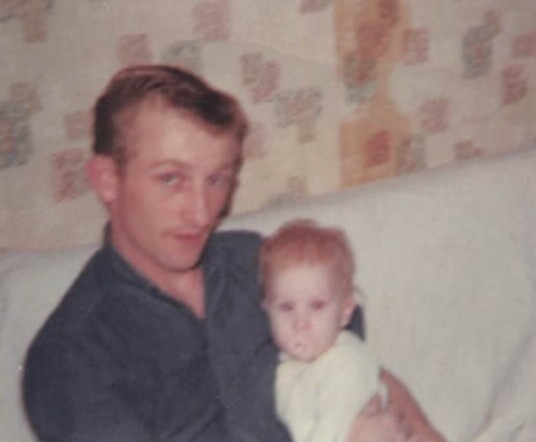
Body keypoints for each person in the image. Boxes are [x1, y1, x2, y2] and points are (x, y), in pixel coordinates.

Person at [23, 64, 444, 442]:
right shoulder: (69, 359)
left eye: (216, 180)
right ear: (107, 179)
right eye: (171, 179)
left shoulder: (257, 262)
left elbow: (352, 364)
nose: (203, 213)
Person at [260, 219, 386, 442]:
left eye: (317, 305)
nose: (300, 322)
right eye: (286, 307)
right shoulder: (282, 370)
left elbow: (332, 431)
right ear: (267, 311)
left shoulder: (347, 363)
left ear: (345, 312)